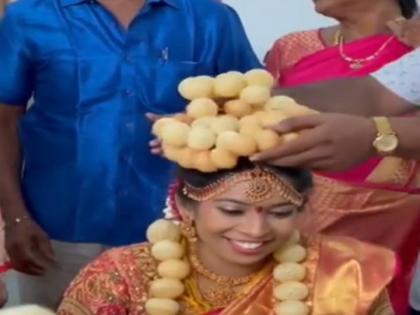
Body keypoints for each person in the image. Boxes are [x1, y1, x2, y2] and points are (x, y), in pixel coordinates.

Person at [0, 0, 260, 308]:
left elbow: (252, 111)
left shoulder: (210, 18)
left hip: (180, 231)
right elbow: (4, 120)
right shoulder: (32, 15)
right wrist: (15, 216)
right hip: (57, 230)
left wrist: (204, 127)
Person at [57, 157, 395, 315]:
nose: (255, 231)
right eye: (232, 211)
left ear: (303, 210)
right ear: (184, 206)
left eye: (280, 213)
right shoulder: (121, 275)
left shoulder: (344, 277)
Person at [264, 3, 419, 311]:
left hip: (388, 224)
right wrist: (242, 105)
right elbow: (376, 94)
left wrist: (374, 135)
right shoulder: (292, 46)